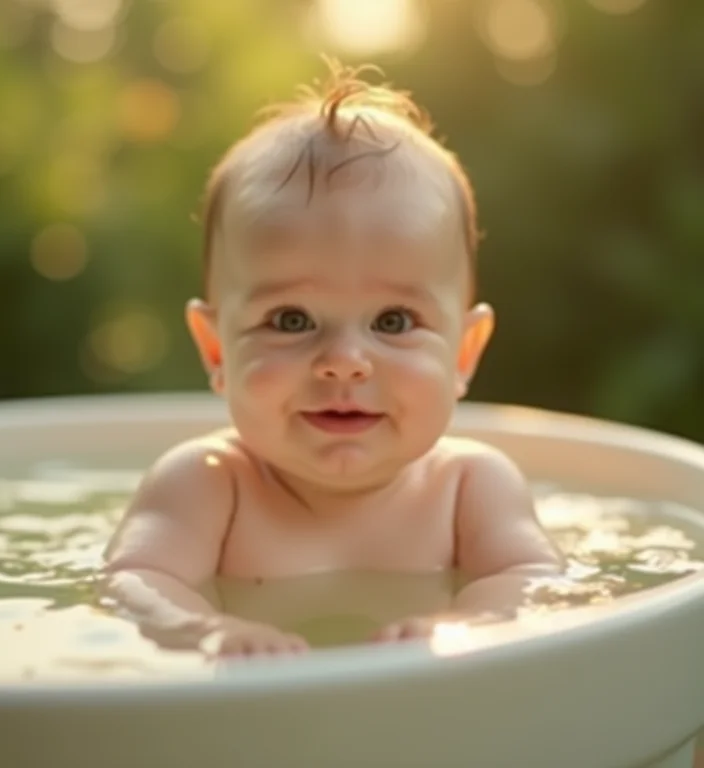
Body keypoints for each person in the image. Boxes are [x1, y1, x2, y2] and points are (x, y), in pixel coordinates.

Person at [101, 61, 564, 657]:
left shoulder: (470, 488)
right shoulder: (208, 486)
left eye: (393, 321)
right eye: (291, 320)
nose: (344, 362)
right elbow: (135, 584)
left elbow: (535, 586)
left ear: (463, 353)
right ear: (215, 348)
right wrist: (208, 629)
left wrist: (465, 626)